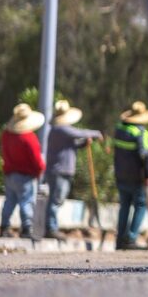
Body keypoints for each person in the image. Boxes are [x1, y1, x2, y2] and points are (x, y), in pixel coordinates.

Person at [43, 100, 103, 241]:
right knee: (55, 199)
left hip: (64, 170)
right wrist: (96, 133)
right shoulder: (60, 129)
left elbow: (72, 146)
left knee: (58, 199)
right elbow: (78, 133)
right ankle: (51, 228)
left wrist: (84, 143)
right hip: (58, 171)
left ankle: (52, 226)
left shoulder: (62, 131)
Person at [0, 103, 46, 239]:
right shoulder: (29, 138)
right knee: (26, 201)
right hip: (25, 176)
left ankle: (4, 227)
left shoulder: (6, 135)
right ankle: (27, 229)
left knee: (9, 202)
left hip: (9, 175)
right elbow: (37, 161)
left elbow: (4, 153)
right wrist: (40, 170)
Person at [113, 101, 148, 250]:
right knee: (141, 205)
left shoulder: (119, 129)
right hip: (137, 177)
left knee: (124, 206)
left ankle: (119, 240)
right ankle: (130, 238)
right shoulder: (141, 132)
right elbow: (144, 155)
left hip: (120, 175)